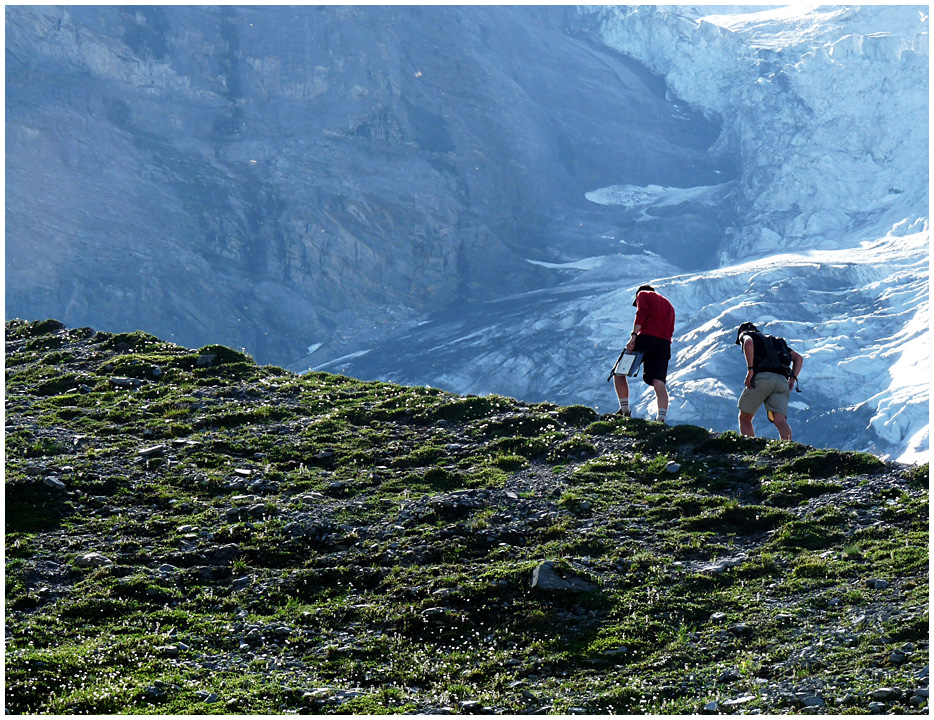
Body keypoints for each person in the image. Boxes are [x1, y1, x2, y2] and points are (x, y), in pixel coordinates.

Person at [613, 284, 675, 422]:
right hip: (664, 344)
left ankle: (624, 411)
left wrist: (634, 335)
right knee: (658, 381)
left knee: (619, 372)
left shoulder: (643, 294)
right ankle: (661, 418)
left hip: (646, 339)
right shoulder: (669, 306)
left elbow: (642, 313)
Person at [734, 322, 804, 440]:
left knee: (745, 418)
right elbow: (799, 358)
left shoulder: (745, 334)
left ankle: (749, 447)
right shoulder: (776, 341)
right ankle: (787, 448)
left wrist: (750, 370)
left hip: (763, 378)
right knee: (780, 420)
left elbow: (749, 343)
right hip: (782, 381)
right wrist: (792, 379)